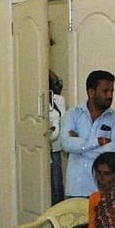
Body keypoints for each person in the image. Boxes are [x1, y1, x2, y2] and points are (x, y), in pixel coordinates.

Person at [59, 69, 115, 197]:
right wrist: (99, 142)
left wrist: (79, 147)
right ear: (91, 92)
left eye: (112, 91)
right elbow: (66, 144)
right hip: (76, 189)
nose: (110, 95)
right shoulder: (72, 115)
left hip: (104, 192)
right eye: (105, 91)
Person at [49, 70, 67, 205]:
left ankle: (58, 209)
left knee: (56, 184)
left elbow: (58, 82)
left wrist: (46, 69)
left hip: (54, 148)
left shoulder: (58, 100)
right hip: (42, 145)